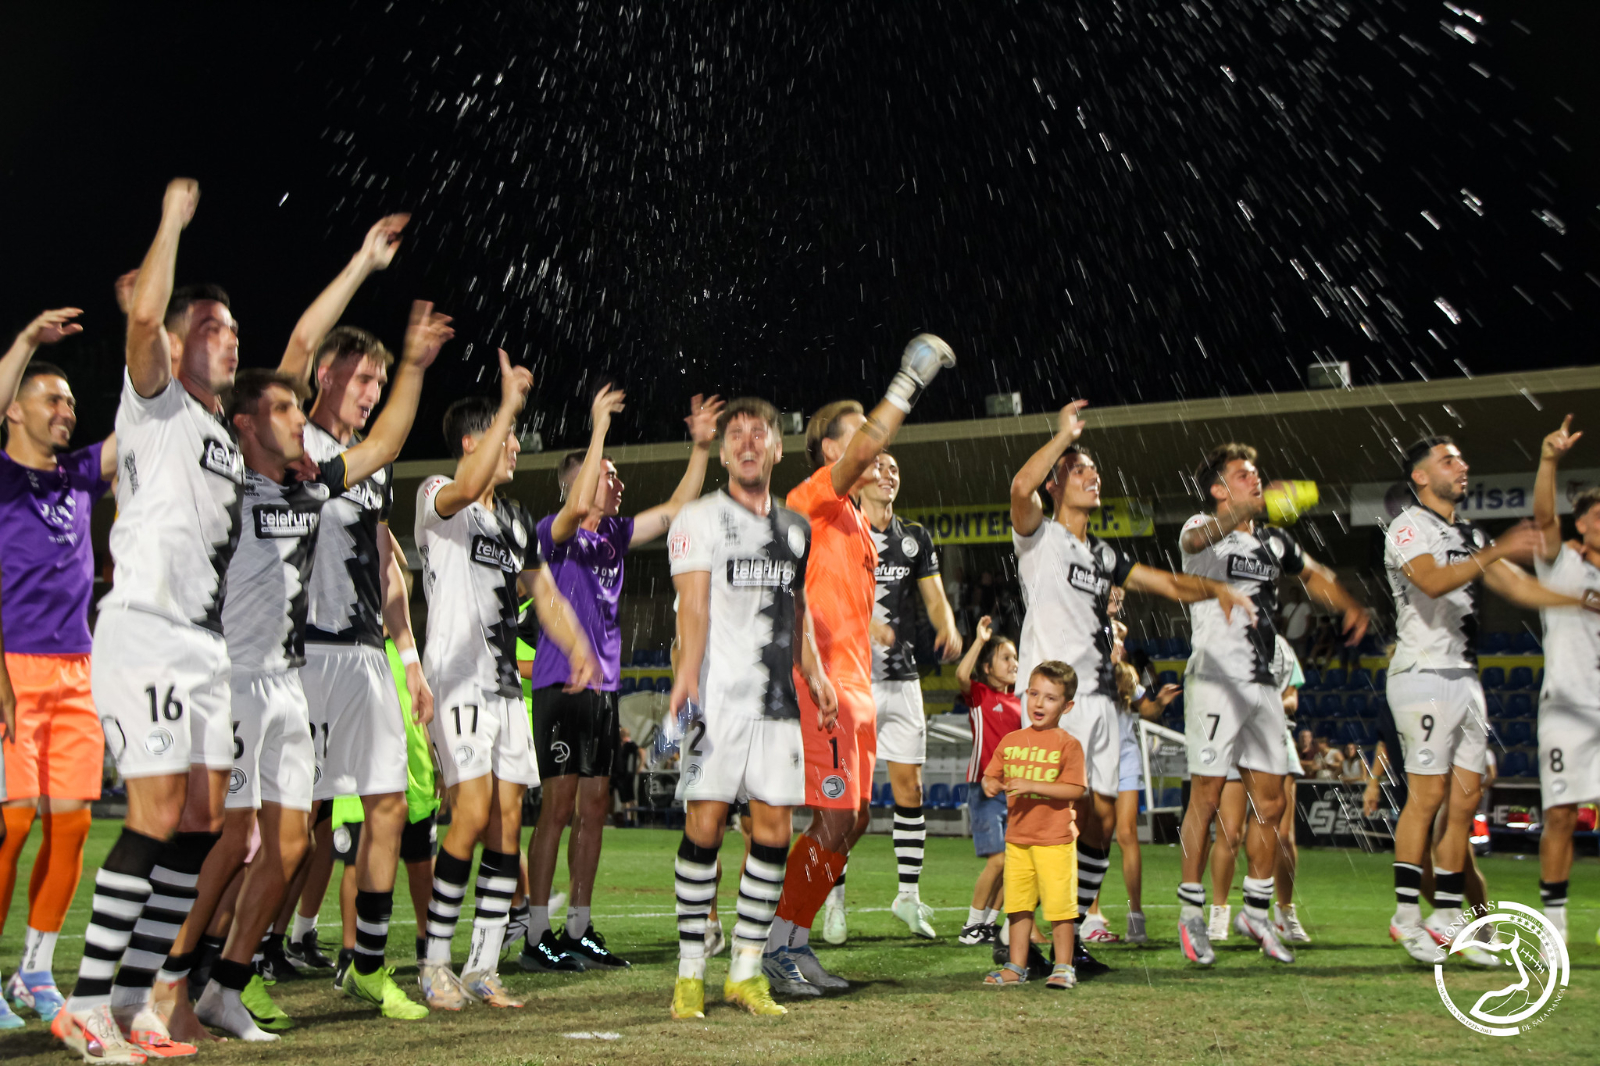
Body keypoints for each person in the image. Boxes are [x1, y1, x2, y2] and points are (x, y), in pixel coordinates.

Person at [50, 179, 249, 1065]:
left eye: (234, 330)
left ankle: (135, 1002)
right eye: (211, 326)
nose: (229, 338)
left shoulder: (223, 438)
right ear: (175, 342)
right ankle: (87, 1002)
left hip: (203, 645)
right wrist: (170, 223)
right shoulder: (157, 402)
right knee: (158, 811)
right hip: (146, 628)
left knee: (204, 822)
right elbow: (141, 332)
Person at [1010, 402, 1257, 976]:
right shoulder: (1038, 539)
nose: (1093, 477)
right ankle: (1014, 935)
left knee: (1097, 822)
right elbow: (1021, 485)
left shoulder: (1102, 555)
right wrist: (1061, 436)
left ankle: (1068, 935)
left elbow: (1165, 582)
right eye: (1080, 470)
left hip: (1098, 699)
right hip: (1053, 701)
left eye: (1095, 470)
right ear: (1056, 484)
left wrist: (1213, 591)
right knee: (1045, 821)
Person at [275, 216, 438, 1018]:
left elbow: (386, 568)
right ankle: (238, 961)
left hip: (366, 657)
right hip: (298, 655)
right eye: (361, 377)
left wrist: (408, 659)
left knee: (389, 804)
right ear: (327, 377)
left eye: (380, 381)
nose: (369, 392)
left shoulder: (365, 470)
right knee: (286, 824)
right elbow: (298, 348)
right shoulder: (290, 441)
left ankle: (366, 966)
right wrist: (364, 263)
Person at [763, 335, 955, 996]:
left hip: (859, 687)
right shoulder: (815, 499)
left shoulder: (860, 530)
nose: (877, 453)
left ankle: (795, 941)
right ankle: (776, 944)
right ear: (831, 452)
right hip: (824, 689)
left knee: (855, 820)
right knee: (834, 818)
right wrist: (908, 380)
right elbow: (796, 606)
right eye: (861, 441)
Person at [416, 362, 599, 1010]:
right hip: (458, 679)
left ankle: (483, 965)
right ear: (475, 441)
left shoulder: (517, 521)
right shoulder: (441, 495)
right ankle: (433, 961)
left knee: (505, 823)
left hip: (500, 688)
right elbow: (467, 483)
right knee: (468, 811)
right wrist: (508, 403)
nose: (516, 447)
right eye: (506, 438)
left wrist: (578, 647)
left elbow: (544, 593)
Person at [521, 384, 720, 973]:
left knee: (594, 807)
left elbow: (677, 509)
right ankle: (536, 934)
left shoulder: (614, 536)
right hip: (561, 687)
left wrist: (701, 448)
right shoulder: (550, 535)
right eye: (608, 476)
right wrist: (597, 430)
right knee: (555, 809)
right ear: (576, 483)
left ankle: (578, 927)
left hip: (605, 690)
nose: (619, 484)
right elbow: (575, 508)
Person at [1382, 435, 1594, 963]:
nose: (1463, 464)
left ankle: (1451, 917)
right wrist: (1497, 548)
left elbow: (1518, 587)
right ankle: (1406, 916)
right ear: (1421, 477)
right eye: (1449, 460)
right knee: (1427, 798)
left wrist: (1579, 599)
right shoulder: (1408, 526)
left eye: (1461, 456)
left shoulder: (1470, 533)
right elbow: (1430, 582)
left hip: (1464, 677)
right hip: (1422, 672)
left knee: (1464, 805)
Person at [665, 397, 834, 1019]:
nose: (745, 443)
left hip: (780, 706)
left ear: (777, 447)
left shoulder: (796, 528)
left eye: (757, 433)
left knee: (773, 833)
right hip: (718, 701)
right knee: (704, 827)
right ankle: (689, 975)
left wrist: (815, 672)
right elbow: (693, 607)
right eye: (735, 434)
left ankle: (744, 970)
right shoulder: (698, 517)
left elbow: (799, 606)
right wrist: (685, 680)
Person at [1174, 442, 1371, 969]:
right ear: (1220, 488)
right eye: (1243, 475)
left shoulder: (1273, 542)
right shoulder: (1201, 530)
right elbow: (1198, 536)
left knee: (1274, 802)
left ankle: (1257, 912)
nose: (1255, 480)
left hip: (1262, 684)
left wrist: (1349, 603)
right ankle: (1192, 913)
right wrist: (1250, 507)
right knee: (1208, 799)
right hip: (1215, 678)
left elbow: (1315, 574)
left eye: (1257, 474)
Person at [0, 306, 110, 1030]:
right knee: (10, 828)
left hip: (76, 671)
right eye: (52, 398)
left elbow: (141, 426)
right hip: (11, 671)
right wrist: (24, 344)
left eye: (71, 401)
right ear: (14, 409)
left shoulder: (77, 476)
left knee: (69, 826)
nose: (67, 409)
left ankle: (34, 972)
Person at [822, 451, 962, 943]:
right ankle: (834, 901)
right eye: (878, 468)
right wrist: (864, 626)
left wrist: (948, 627)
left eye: (895, 469)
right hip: (851, 682)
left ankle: (906, 896)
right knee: (846, 807)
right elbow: (824, 602)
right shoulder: (839, 530)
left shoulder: (914, 538)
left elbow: (934, 595)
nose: (888, 476)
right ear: (858, 478)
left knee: (911, 791)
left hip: (902, 681)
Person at [1529, 415, 1600, 945]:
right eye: (1597, 517)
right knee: (1561, 813)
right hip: (1567, 708)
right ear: (1582, 524)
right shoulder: (1561, 565)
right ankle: (1554, 923)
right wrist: (1549, 460)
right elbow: (1543, 515)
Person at [979, 661, 1087, 990]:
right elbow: (990, 775)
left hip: (1055, 840)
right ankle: (1016, 967)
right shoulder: (1012, 740)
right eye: (1034, 694)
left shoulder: (1068, 744)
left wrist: (1033, 786)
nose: (1039, 704)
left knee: (1059, 908)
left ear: (1067, 706)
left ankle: (1064, 966)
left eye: (1050, 698)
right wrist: (989, 783)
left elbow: (1075, 790)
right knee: (1018, 906)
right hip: (1018, 840)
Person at [1201, 635, 1309, 945]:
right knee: (1230, 833)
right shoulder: (1225, 642)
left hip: (1274, 741)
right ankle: (1220, 911)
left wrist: (1266, 702)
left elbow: (1292, 699)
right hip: (1232, 740)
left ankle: (1284, 912)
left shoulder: (1281, 647)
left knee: (1284, 836)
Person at [955, 617, 1019, 947]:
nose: (1014, 664)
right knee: (999, 860)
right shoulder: (980, 694)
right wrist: (980, 641)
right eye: (1006, 658)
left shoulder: (1023, 704)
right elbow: (961, 676)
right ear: (988, 667)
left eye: (1015, 658)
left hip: (1015, 793)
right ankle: (972, 924)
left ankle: (989, 925)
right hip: (984, 789)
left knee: (1016, 863)